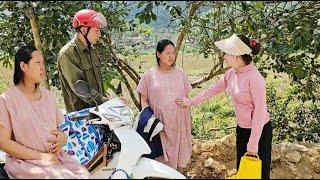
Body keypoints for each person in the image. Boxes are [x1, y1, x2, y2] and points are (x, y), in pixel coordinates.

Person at [176, 34, 272, 179]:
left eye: (227, 53)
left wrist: (253, 143)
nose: (224, 56)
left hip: (259, 132)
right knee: (244, 173)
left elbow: (260, 111)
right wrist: (190, 102)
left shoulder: (255, 78)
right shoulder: (231, 74)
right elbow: (213, 90)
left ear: (238, 55)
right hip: (242, 130)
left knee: (259, 174)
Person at [0, 45, 90, 178]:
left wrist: (62, 138)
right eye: (37, 63)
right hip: (25, 163)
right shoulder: (7, 100)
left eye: (43, 63)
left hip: (55, 159)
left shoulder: (48, 96)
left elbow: (58, 130)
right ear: (23, 66)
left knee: (85, 175)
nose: (43, 67)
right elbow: (4, 143)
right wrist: (41, 156)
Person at [137, 39, 193, 172]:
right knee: (161, 164)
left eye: (173, 53)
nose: (171, 56)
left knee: (180, 161)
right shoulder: (149, 75)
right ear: (158, 54)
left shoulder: (180, 73)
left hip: (180, 123)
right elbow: (143, 99)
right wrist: (149, 119)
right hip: (160, 126)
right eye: (167, 53)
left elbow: (187, 97)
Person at [57, 9, 108, 113]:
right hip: (81, 118)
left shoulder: (92, 51)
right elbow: (81, 88)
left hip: (98, 113)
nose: (99, 35)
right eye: (96, 31)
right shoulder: (68, 54)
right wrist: (106, 103)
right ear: (84, 30)